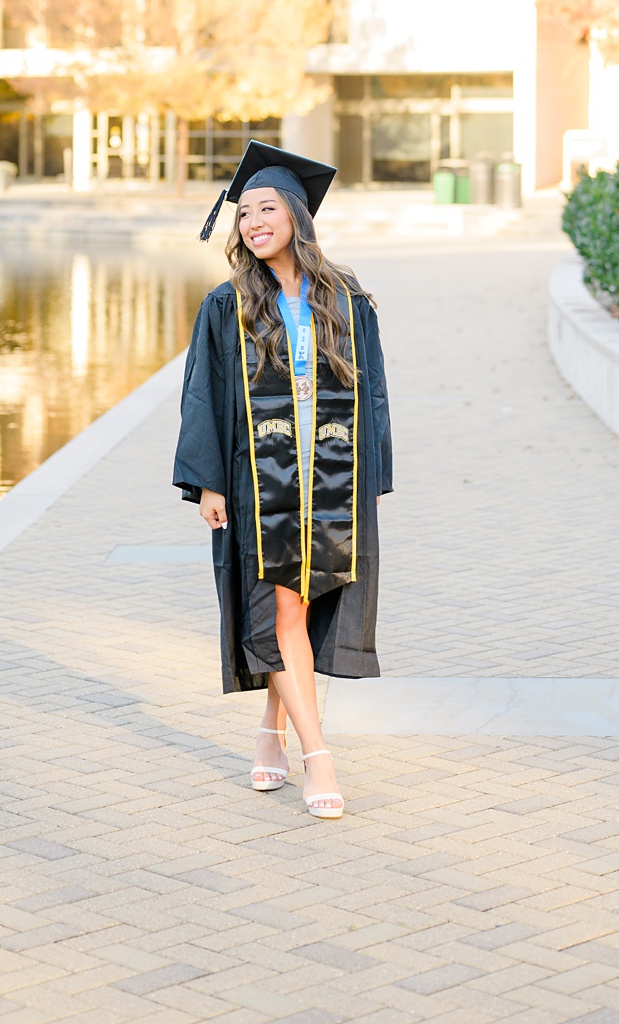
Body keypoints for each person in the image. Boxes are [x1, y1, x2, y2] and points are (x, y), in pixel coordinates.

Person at [173, 141, 393, 821]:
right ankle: (317, 756)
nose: (252, 223)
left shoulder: (346, 299)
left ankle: (270, 732)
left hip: (326, 483)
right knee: (280, 613)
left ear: (296, 213)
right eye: (244, 214)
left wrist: (368, 481)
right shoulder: (226, 305)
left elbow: (374, 395)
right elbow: (202, 396)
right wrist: (208, 484)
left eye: (266, 208)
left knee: (298, 611)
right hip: (256, 483)